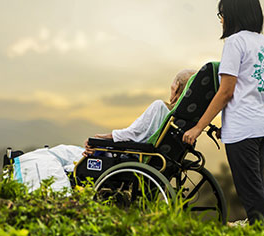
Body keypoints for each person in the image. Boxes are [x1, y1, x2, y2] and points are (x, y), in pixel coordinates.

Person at [13, 69, 195, 193]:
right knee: (62, 151)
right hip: (146, 158)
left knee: (53, 155)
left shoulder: (160, 108)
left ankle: (22, 168)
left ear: (177, 87)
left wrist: (100, 139)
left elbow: (131, 135)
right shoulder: (183, 120)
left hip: (128, 159)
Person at [182, 0, 264, 225]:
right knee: (257, 185)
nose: (221, 19)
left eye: (222, 13)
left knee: (251, 192)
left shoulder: (235, 42)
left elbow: (226, 92)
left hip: (244, 128)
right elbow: (253, 87)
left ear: (234, 14)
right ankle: (261, 226)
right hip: (263, 124)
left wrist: (197, 128)